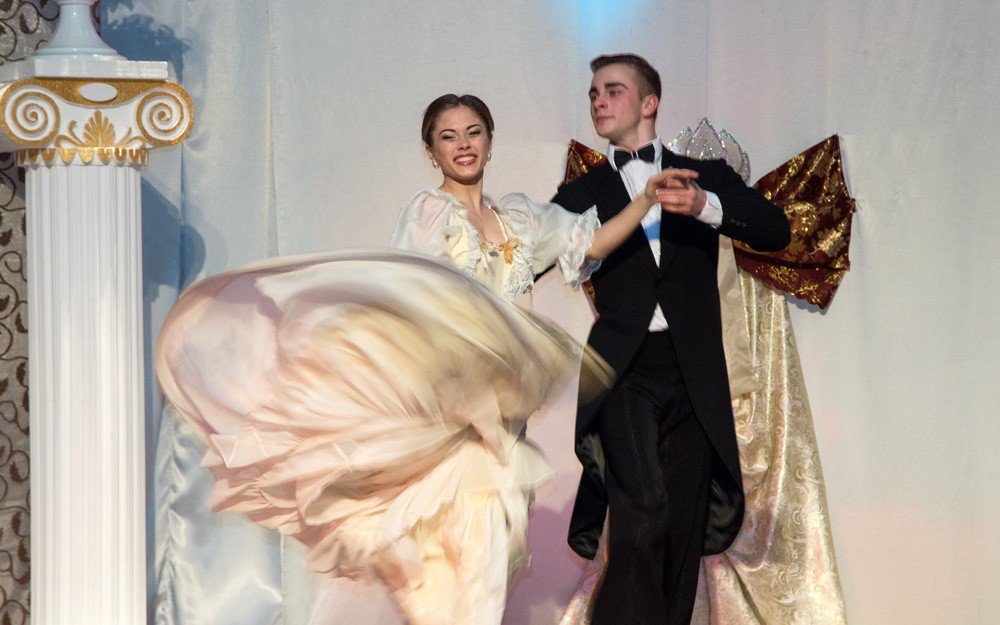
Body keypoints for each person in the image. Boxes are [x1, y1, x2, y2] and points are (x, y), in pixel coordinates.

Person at [155, 92, 685, 625]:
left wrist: (645, 201)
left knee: (485, 573)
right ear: (431, 152)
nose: (463, 145)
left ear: (490, 141)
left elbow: (592, 243)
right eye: (448, 136)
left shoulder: (521, 219)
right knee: (459, 584)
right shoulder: (430, 214)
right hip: (452, 422)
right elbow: (409, 300)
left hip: (504, 425)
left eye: (473, 132)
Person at [551, 54, 792, 625]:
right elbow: (534, 255)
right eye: (593, 94)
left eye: (612, 90)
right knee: (642, 509)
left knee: (682, 524)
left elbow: (775, 230)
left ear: (649, 102)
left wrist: (706, 207)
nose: (599, 101)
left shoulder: (702, 175)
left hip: (692, 368)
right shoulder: (582, 191)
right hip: (623, 369)